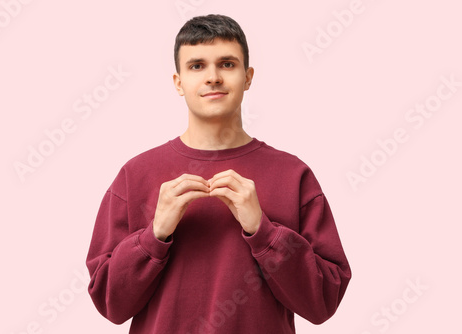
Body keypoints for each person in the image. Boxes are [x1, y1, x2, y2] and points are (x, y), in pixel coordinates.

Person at [86, 14, 351, 334]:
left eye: (227, 64)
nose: (213, 77)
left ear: (248, 76)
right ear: (178, 82)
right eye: (197, 66)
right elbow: (109, 303)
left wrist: (265, 232)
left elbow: (324, 301)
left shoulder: (293, 175)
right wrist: (154, 235)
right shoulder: (136, 174)